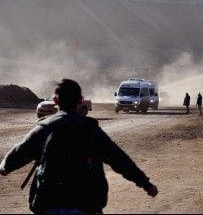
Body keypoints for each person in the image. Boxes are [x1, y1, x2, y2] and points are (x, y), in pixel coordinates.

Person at [0, 79, 158, 214]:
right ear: (80, 100)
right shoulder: (91, 131)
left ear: (56, 101)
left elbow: (19, 152)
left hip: (48, 203)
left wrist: (5, 167)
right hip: (85, 203)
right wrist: (146, 184)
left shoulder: (44, 129)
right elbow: (119, 160)